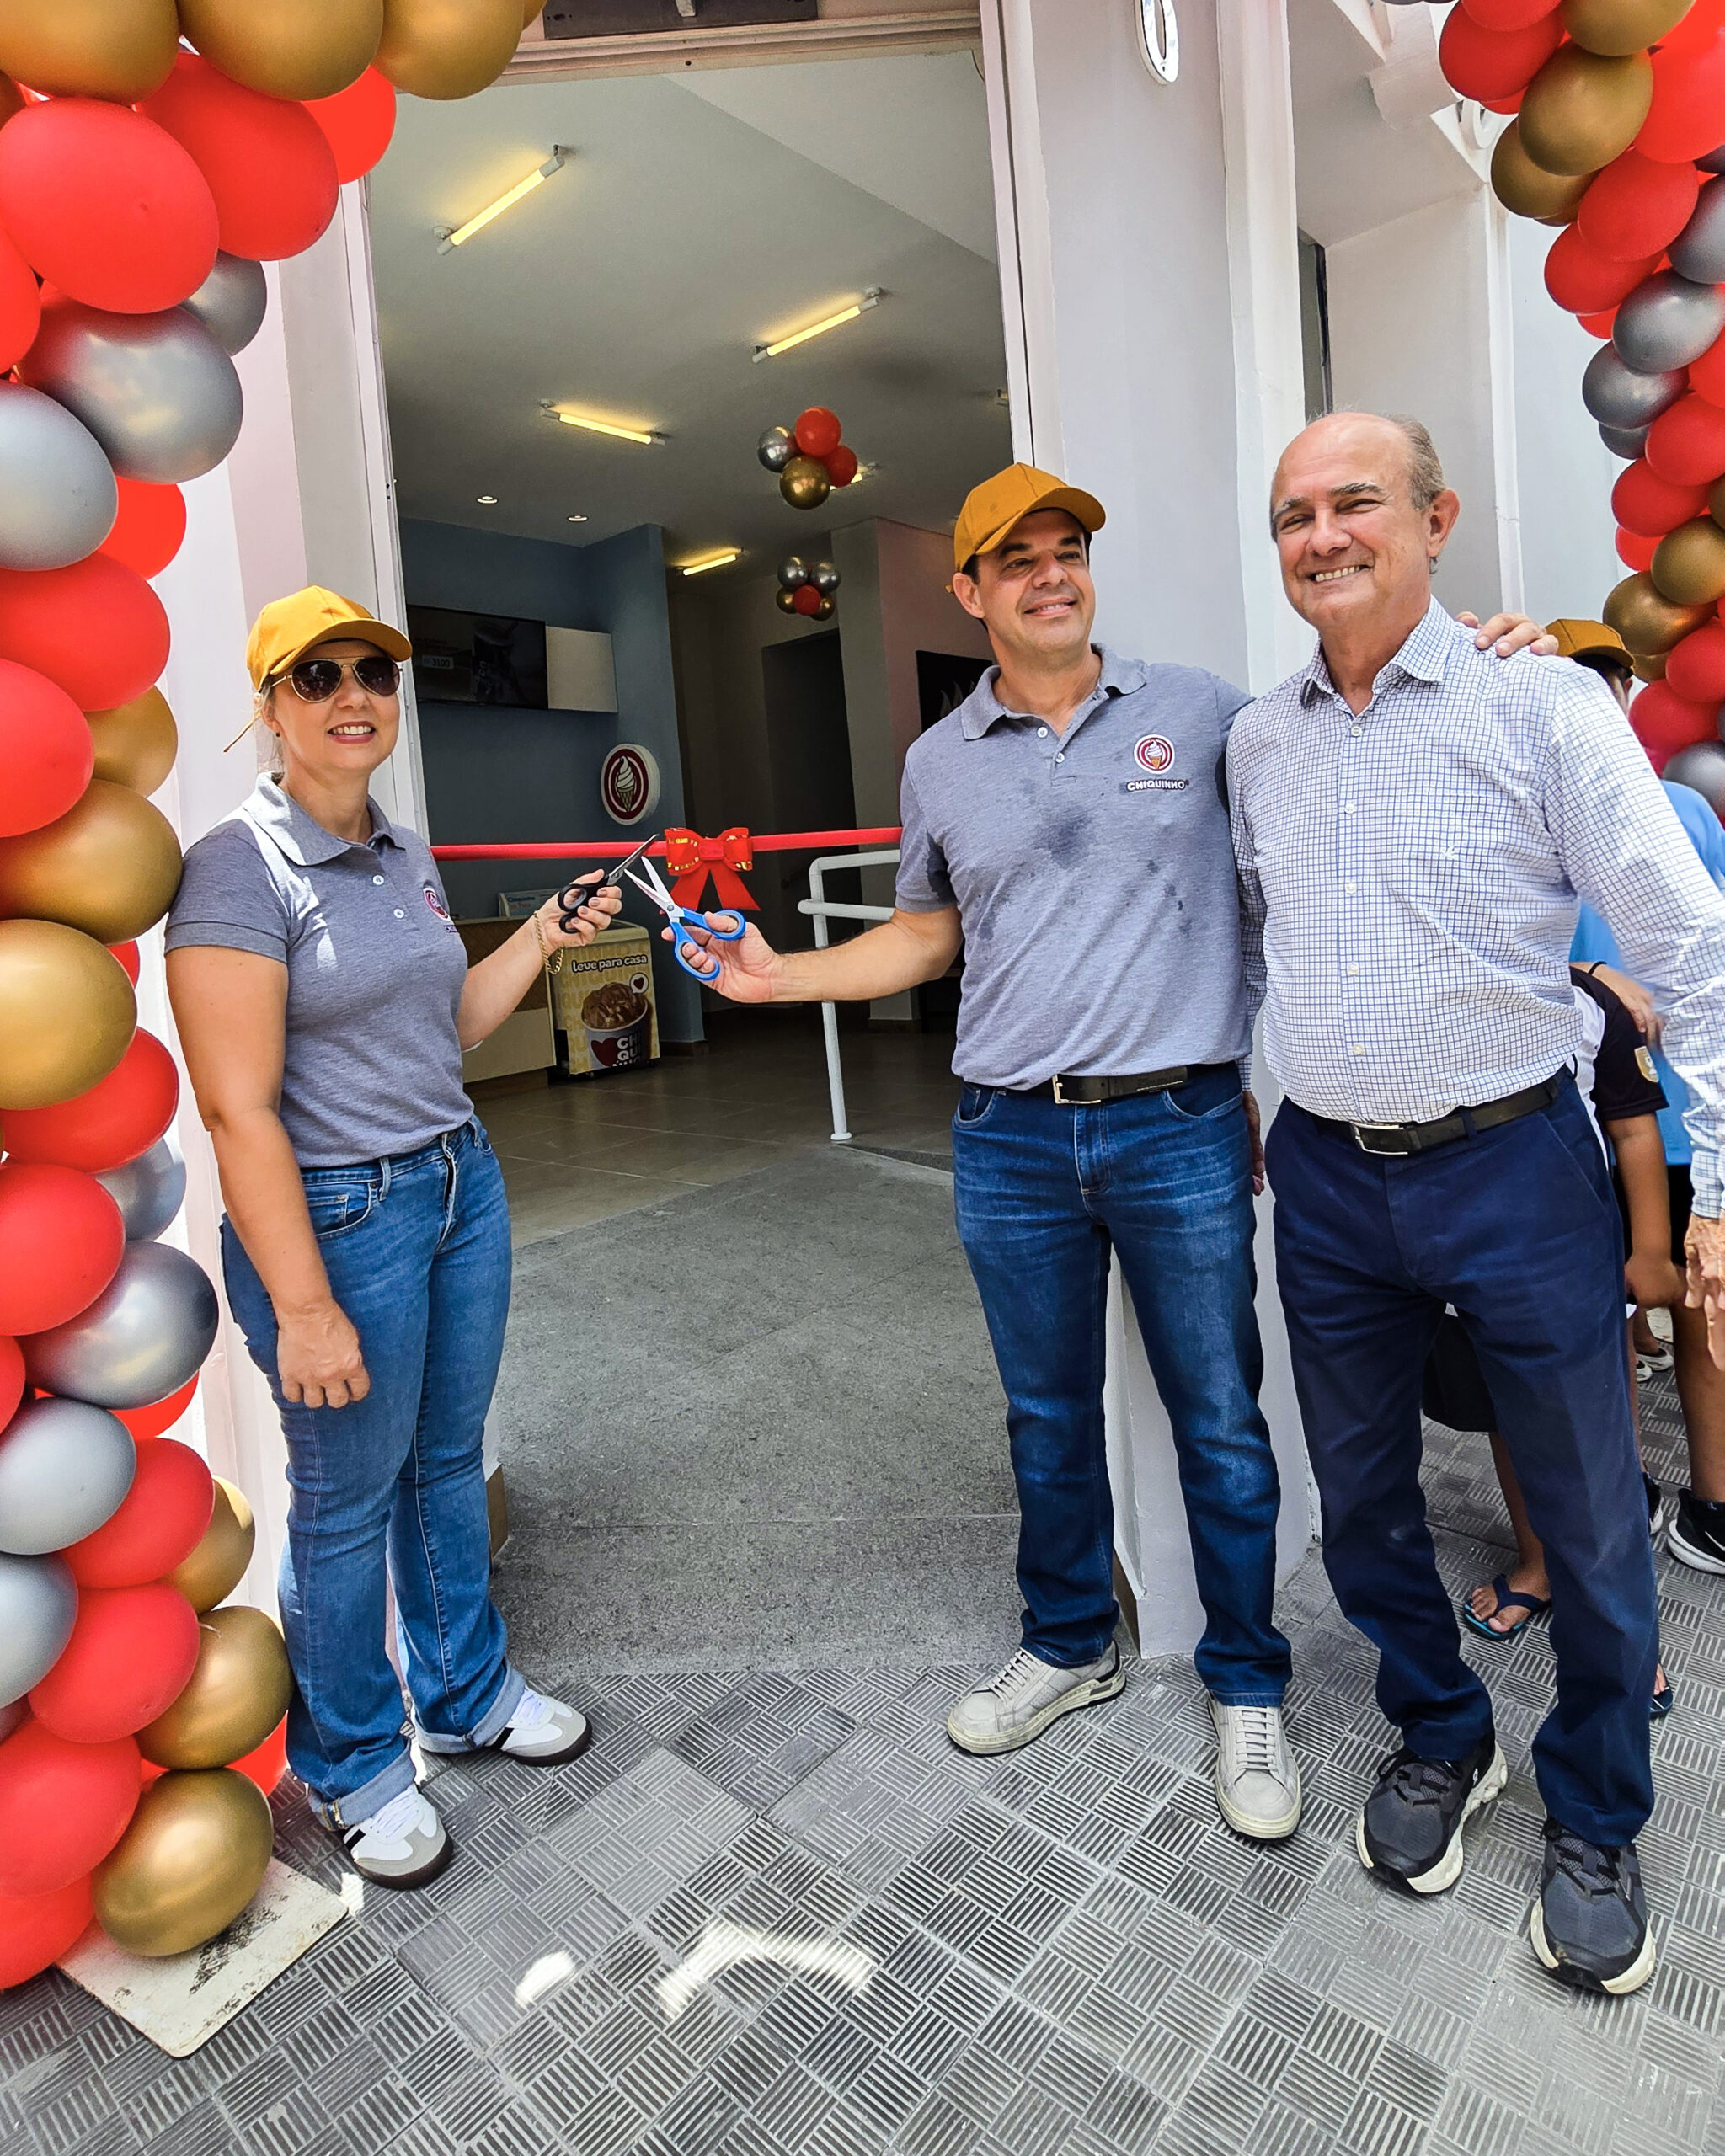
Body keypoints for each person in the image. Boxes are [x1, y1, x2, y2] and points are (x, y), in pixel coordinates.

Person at [667, 462, 1542, 1844]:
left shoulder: (1199, 713)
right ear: (969, 593)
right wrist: (782, 981)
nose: (1049, 573)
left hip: (1176, 1125)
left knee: (1216, 1420)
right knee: (1042, 1418)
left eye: (1065, 548)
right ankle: (1066, 1642)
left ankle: (1243, 1681)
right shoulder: (939, 760)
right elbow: (926, 933)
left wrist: (1488, 656)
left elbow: (1338, 749)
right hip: (1006, 1138)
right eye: (1013, 559)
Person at [1229, 411, 1725, 1997]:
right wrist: (1264, 1100)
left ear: (1434, 520)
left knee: (1583, 1513)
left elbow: (1689, 944)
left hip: (1515, 1162)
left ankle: (1593, 1813)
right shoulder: (1259, 741)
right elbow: (1257, 945)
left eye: (1354, 502)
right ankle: (1441, 1732)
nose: (1320, 536)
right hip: (1323, 1175)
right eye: (1292, 514)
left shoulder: (1541, 707)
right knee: (1361, 1501)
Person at [165, 588, 622, 1889]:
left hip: (456, 1181)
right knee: (348, 1496)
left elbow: (453, 1030)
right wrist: (304, 1308)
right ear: (269, 710)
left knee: (444, 1458)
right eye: (317, 678)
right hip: (336, 1216)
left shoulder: (402, 854)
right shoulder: (236, 868)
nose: (354, 695)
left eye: (373, 671)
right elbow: (236, 1106)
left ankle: (466, 1693)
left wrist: (540, 932)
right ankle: (358, 1761)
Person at [1433, 963, 1678, 1716]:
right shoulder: (1423, 992)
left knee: (1599, 1440)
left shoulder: (1589, 1002)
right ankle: (1538, 1563)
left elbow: (1634, 1129)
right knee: (1510, 1413)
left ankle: (1625, 1633)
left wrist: (1651, 1252)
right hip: (1469, 1243)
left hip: (1572, 1246)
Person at [1570, 775, 1725, 1576]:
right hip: (1604, 1123)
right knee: (1616, 1320)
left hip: (1676, 1117)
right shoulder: (1527, 791)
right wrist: (1593, 968)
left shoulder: (1682, 806)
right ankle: (1637, 1495)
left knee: (1694, 1310)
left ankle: (1702, 1503)